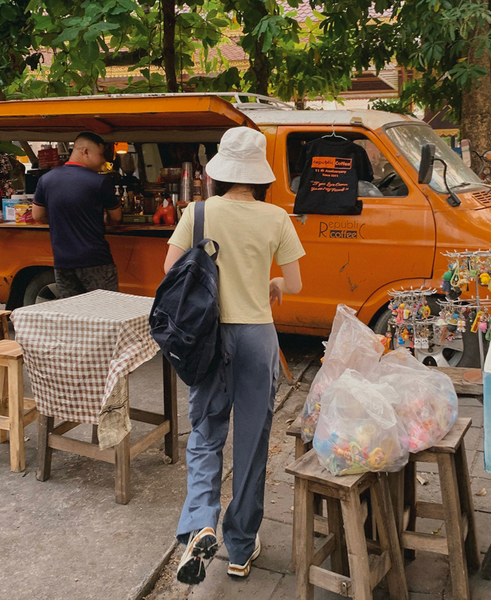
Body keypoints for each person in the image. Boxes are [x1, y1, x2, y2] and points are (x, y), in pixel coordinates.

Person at [164, 127, 305, 585]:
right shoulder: (276, 217)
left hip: (208, 336)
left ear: (221, 171)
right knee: (251, 443)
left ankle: (200, 525)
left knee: (206, 434)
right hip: (258, 336)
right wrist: (274, 285)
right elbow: (296, 283)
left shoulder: (198, 212)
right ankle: (241, 549)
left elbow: (171, 271)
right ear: (259, 174)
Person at [32, 132, 122, 298]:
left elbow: (37, 215)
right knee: (106, 312)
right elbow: (116, 217)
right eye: (101, 155)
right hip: (95, 260)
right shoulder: (100, 181)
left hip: (62, 261)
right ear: (86, 152)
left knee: (73, 315)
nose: (103, 160)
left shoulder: (46, 179)